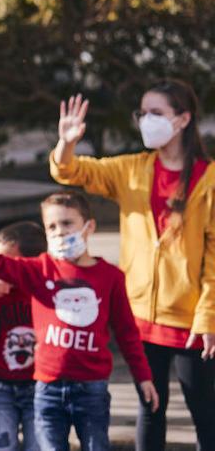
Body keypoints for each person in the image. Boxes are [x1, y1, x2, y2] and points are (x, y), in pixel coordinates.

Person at [51, 88, 215, 451]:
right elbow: (71, 170)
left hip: (192, 323)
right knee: (150, 409)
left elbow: (214, 259)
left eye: (155, 112)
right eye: (142, 113)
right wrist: (66, 142)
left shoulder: (209, 179)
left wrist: (208, 318)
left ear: (183, 119)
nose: (146, 121)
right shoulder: (131, 169)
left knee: (206, 413)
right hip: (139, 316)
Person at [0, 192, 159, 451]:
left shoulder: (111, 277)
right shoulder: (40, 269)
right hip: (47, 389)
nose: (59, 232)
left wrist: (143, 376)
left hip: (92, 388)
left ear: (89, 227)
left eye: (67, 223)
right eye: (51, 226)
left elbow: (126, 332)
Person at [0, 221, 47, 451]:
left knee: (39, 444)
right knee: (3, 444)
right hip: (0, 386)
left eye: (3, 261)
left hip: (37, 385)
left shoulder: (41, 290)